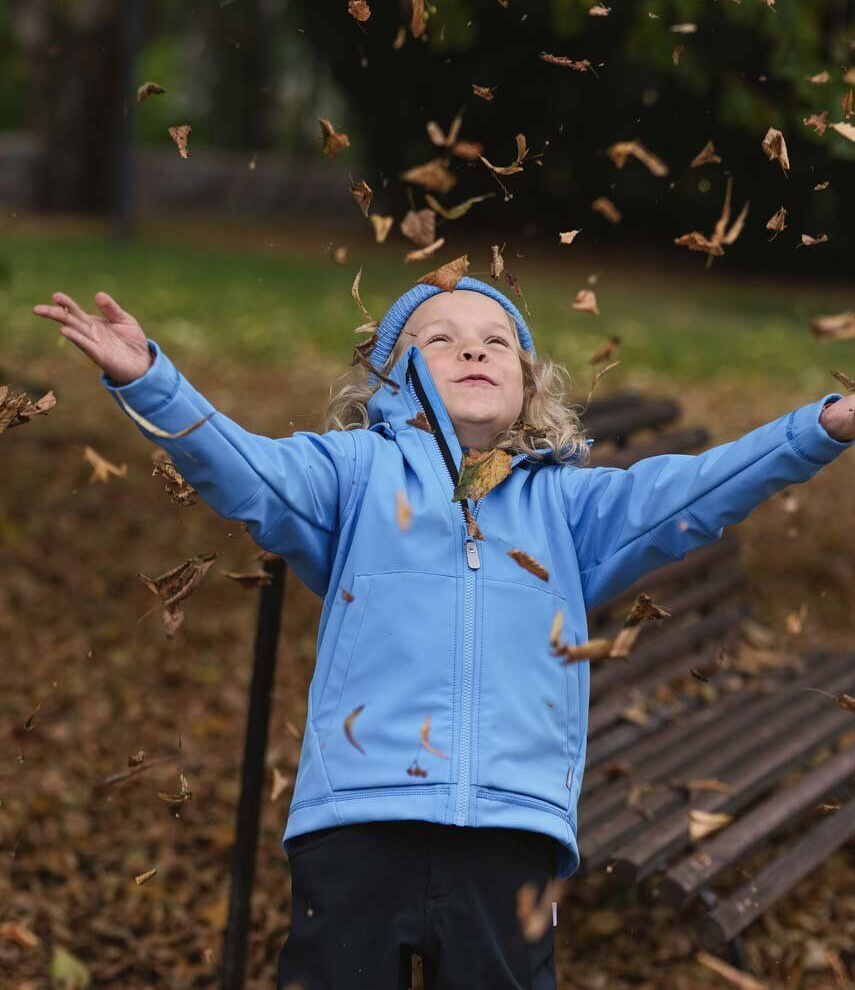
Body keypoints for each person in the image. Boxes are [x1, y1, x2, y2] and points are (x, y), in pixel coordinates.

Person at [32, 277, 855, 990]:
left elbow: (698, 490)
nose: (474, 351)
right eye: (442, 339)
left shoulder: (568, 507)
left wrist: (822, 426)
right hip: (359, 824)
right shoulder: (353, 471)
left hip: (511, 832)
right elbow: (246, 472)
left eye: (497, 341)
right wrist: (151, 382)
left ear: (528, 386)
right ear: (391, 377)